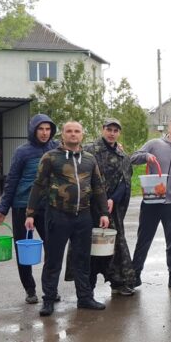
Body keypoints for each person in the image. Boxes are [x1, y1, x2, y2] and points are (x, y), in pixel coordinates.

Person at [25, 121, 109, 316]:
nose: (73, 134)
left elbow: (98, 187)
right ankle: (49, 299)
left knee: (82, 259)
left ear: (82, 135)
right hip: (57, 215)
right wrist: (30, 214)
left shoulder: (90, 159)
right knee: (53, 259)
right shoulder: (50, 157)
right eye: (69, 131)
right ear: (63, 135)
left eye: (77, 131)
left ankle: (85, 298)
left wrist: (104, 212)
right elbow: (38, 186)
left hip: (84, 216)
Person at [0, 114, 59, 304]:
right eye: (40, 129)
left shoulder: (56, 148)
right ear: (33, 130)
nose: (45, 133)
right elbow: (12, 180)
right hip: (22, 206)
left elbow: (76, 151)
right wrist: (2, 209)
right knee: (24, 250)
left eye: (48, 129)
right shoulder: (23, 152)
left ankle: (50, 289)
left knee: (52, 247)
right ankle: (30, 290)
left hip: (47, 207)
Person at [65, 118, 135, 296]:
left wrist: (112, 200)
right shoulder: (88, 151)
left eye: (115, 130)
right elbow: (79, 178)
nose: (112, 133)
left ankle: (118, 282)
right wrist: (99, 200)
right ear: (103, 129)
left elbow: (125, 181)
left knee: (114, 245)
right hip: (89, 208)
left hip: (111, 210)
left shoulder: (122, 156)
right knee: (88, 246)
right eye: (109, 129)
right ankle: (87, 287)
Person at [130, 116, 171, 291]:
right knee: (144, 239)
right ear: (169, 127)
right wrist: (146, 156)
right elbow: (132, 158)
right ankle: (134, 275)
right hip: (151, 201)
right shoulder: (154, 144)